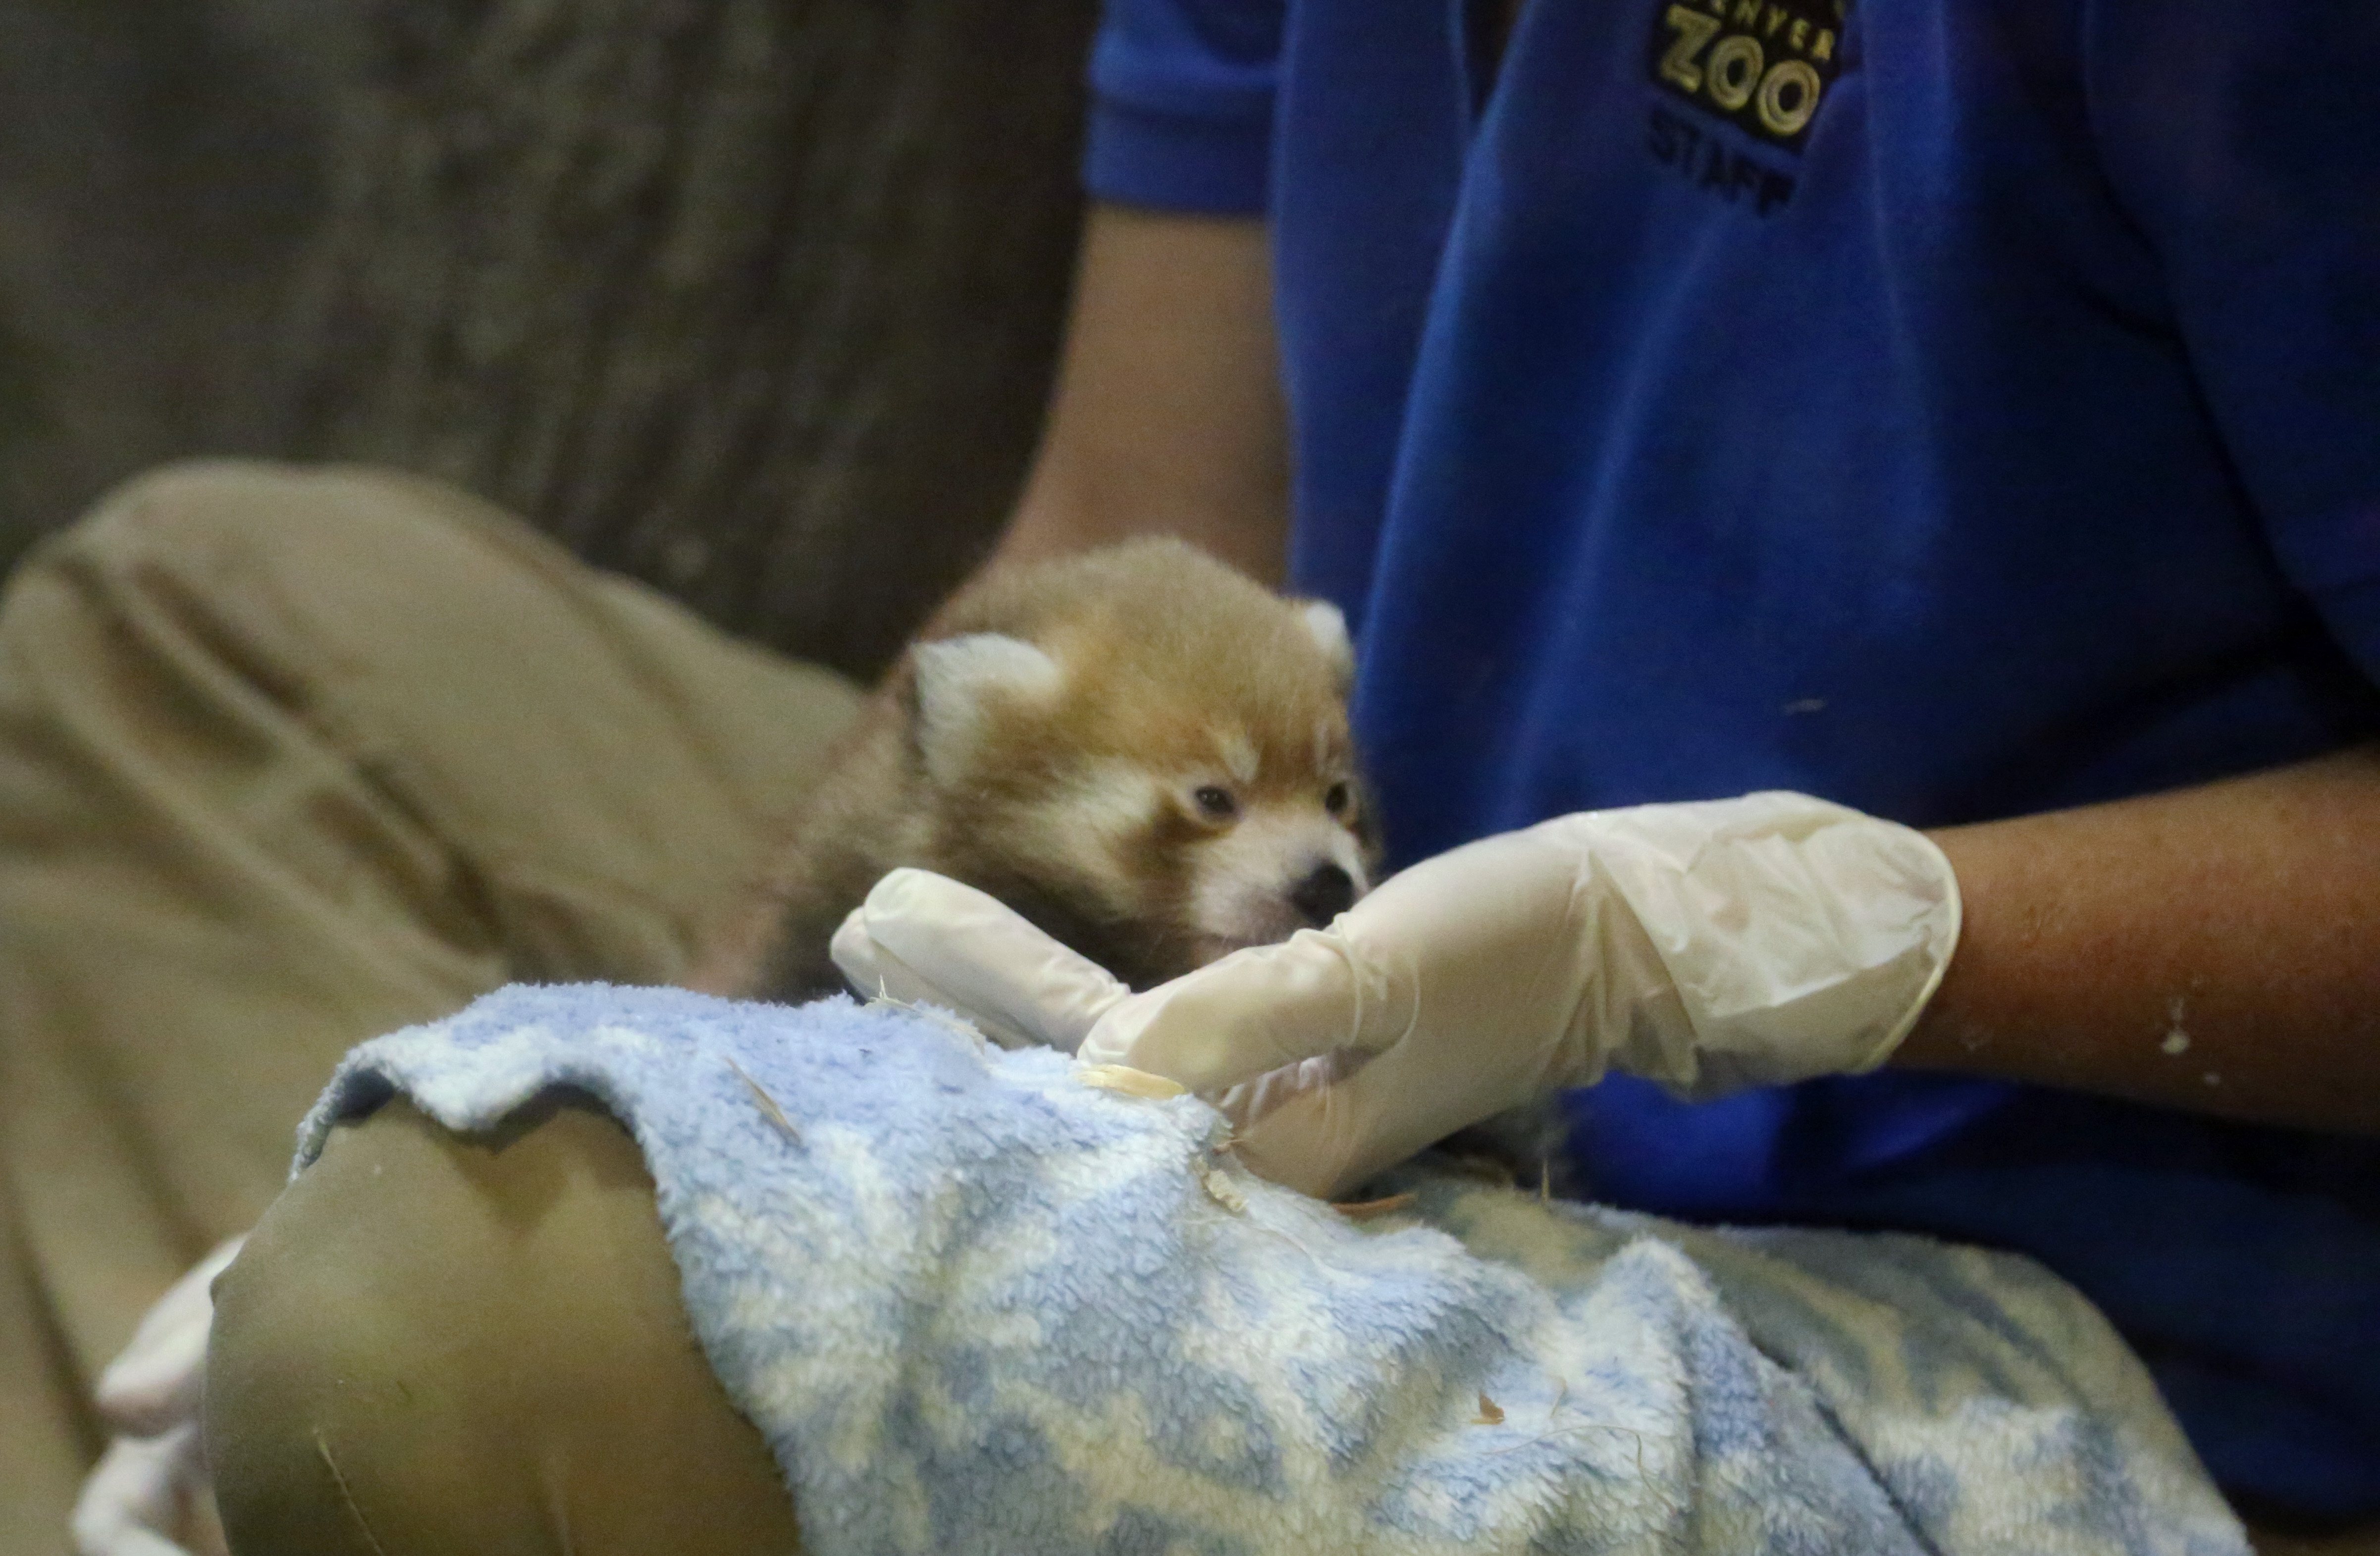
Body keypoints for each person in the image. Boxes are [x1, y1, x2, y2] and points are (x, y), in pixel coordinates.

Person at [23, 0, 2379, 1550]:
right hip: (1310, 1044)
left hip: (2051, 1360)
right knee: (202, 632)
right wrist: (691, 1052)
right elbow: (1110, 562)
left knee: (455, 1310)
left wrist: (1780, 940)